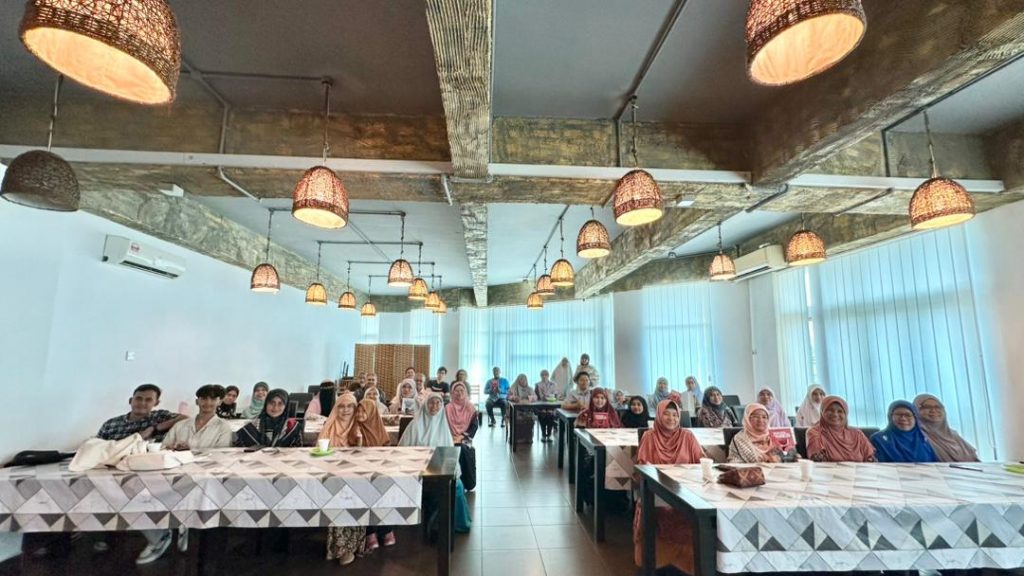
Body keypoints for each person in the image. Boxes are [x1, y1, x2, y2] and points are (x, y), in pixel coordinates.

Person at [137, 385, 232, 564]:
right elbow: (163, 448)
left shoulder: (223, 427)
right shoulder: (181, 425)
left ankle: (184, 527)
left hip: (205, 478)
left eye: (213, 399)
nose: (208, 403)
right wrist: (173, 447)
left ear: (219, 401)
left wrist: (191, 449)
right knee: (141, 496)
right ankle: (160, 536)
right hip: (175, 475)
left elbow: (221, 456)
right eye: (203, 398)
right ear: (197, 401)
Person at [633, 399, 705, 573]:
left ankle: (690, 562)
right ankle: (657, 560)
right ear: (658, 415)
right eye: (666, 414)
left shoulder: (687, 436)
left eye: (675, 415)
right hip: (656, 489)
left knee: (698, 511)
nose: (671, 418)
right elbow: (642, 466)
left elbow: (701, 461)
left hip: (687, 490)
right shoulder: (649, 436)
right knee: (661, 510)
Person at [399, 393, 471, 534]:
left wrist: (454, 470)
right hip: (417, 470)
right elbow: (403, 450)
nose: (434, 406)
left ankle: (453, 524)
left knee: (457, 486)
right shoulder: (415, 425)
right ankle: (434, 523)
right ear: (426, 405)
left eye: (438, 403)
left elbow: (450, 452)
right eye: (431, 403)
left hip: (440, 470)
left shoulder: (443, 426)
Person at [319, 393, 365, 565]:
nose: (345, 410)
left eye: (349, 406)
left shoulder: (360, 426)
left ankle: (351, 547)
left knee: (353, 505)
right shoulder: (329, 426)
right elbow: (320, 451)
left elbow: (368, 454)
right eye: (341, 406)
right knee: (338, 505)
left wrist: (359, 444)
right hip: (333, 475)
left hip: (356, 476)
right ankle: (338, 548)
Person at [354, 398, 396, 551]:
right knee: (365, 493)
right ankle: (369, 532)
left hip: (378, 472)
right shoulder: (354, 428)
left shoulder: (379, 429)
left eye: (364, 411)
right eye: (358, 411)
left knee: (383, 492)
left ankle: (386, 529)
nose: (360, 414)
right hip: (359, 474)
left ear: (372, 413)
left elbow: (386, 451)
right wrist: (358, 442)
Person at [97, 383, 186, 442]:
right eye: (138, 398)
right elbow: (96, 448)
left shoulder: (160, 416)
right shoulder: (110, 424)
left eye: (148, 400)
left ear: (156, 403)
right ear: (130, 400)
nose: (142, 403)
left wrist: (156, 427)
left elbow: (185, 418)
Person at [806, 396, 875, 462]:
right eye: (830, 410)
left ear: (846, 414)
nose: (835, 414)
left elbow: (871, 459)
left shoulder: (857, 434)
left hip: (859, 470)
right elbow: (817, 459)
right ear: (822, 412)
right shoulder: (815, 432)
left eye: (840, 411)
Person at [913, 394, 980, 462]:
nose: (933, 410)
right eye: (927, 407)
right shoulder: (916, 437)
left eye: (938, 407)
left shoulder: (953, 435)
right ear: (915, 410)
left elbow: (975, 460)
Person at [871, 400, 939, 463]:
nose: (903, 418)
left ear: (916, 418)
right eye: (898, 414)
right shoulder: (878, 439)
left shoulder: (926, 438)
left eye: (908, 415)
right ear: (890, 416)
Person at [234, 389, 304, 447]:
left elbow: (297, 453)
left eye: (280, 404)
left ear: (285, 407)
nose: (275, 407)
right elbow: (239, 452)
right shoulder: (250, 428)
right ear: (266, 404)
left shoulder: (293, 428)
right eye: (272, 403)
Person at [445, 382, 478, 491]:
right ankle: (452, 482)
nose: (459, 393)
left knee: (463, 449)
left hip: (466, 438)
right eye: (456, 391)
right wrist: (451, 436)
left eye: (461, 391)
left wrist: (462, 436)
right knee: (452, 448)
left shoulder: (470, 407)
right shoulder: (448, 408)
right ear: (452, 393)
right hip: (449, 437)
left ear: (465, 392)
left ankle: (466, 482)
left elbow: (474, 426)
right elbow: (443, 425)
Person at [534, 370, 561, 441]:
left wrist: (551, 397)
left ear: (548, 376)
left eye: (545, 375)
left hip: (551, 405)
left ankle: (549, 434)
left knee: (550, 415)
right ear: (540, 376)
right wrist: (542, 398)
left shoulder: (553, 384)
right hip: (541, 405)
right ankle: (543, 434)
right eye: (542, 375)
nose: (544, 376)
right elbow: (536, 396)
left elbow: (556, 395)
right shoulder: (537, 385)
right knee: (542, 414)